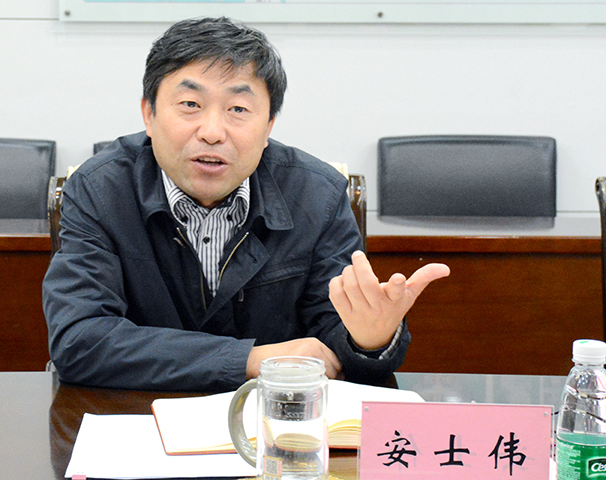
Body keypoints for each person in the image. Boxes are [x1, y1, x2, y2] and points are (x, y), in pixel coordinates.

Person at [43, 16, 449, 391]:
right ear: (148, 114)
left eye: (238, 109)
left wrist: (370, 340)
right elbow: (80, 340)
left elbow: (334, 342)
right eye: (190, 105)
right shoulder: (99, 191)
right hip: (134, 418)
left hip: (275, 423)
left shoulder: (318, 195)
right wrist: (251, 360)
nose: (212, 132)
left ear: (268, 125)